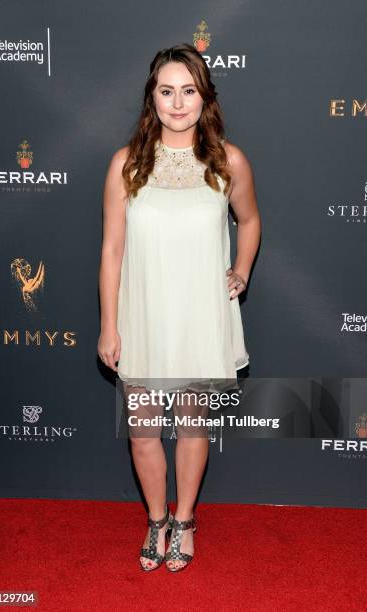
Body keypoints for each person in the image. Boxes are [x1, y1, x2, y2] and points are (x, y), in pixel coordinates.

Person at [98, 43, 261, 572]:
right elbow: (112, 250)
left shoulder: (228, 160)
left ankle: (185, 519)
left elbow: (251, 221)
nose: (177, 102)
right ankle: (156, 520)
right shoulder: (126, 165)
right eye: (166, 91)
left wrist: (241, 269)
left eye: (188, 91)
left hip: (201, 316)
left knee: (193, 426)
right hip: (141, 315)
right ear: (152, 97)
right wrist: (108, 325)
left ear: (204, 98)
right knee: (142, 430)